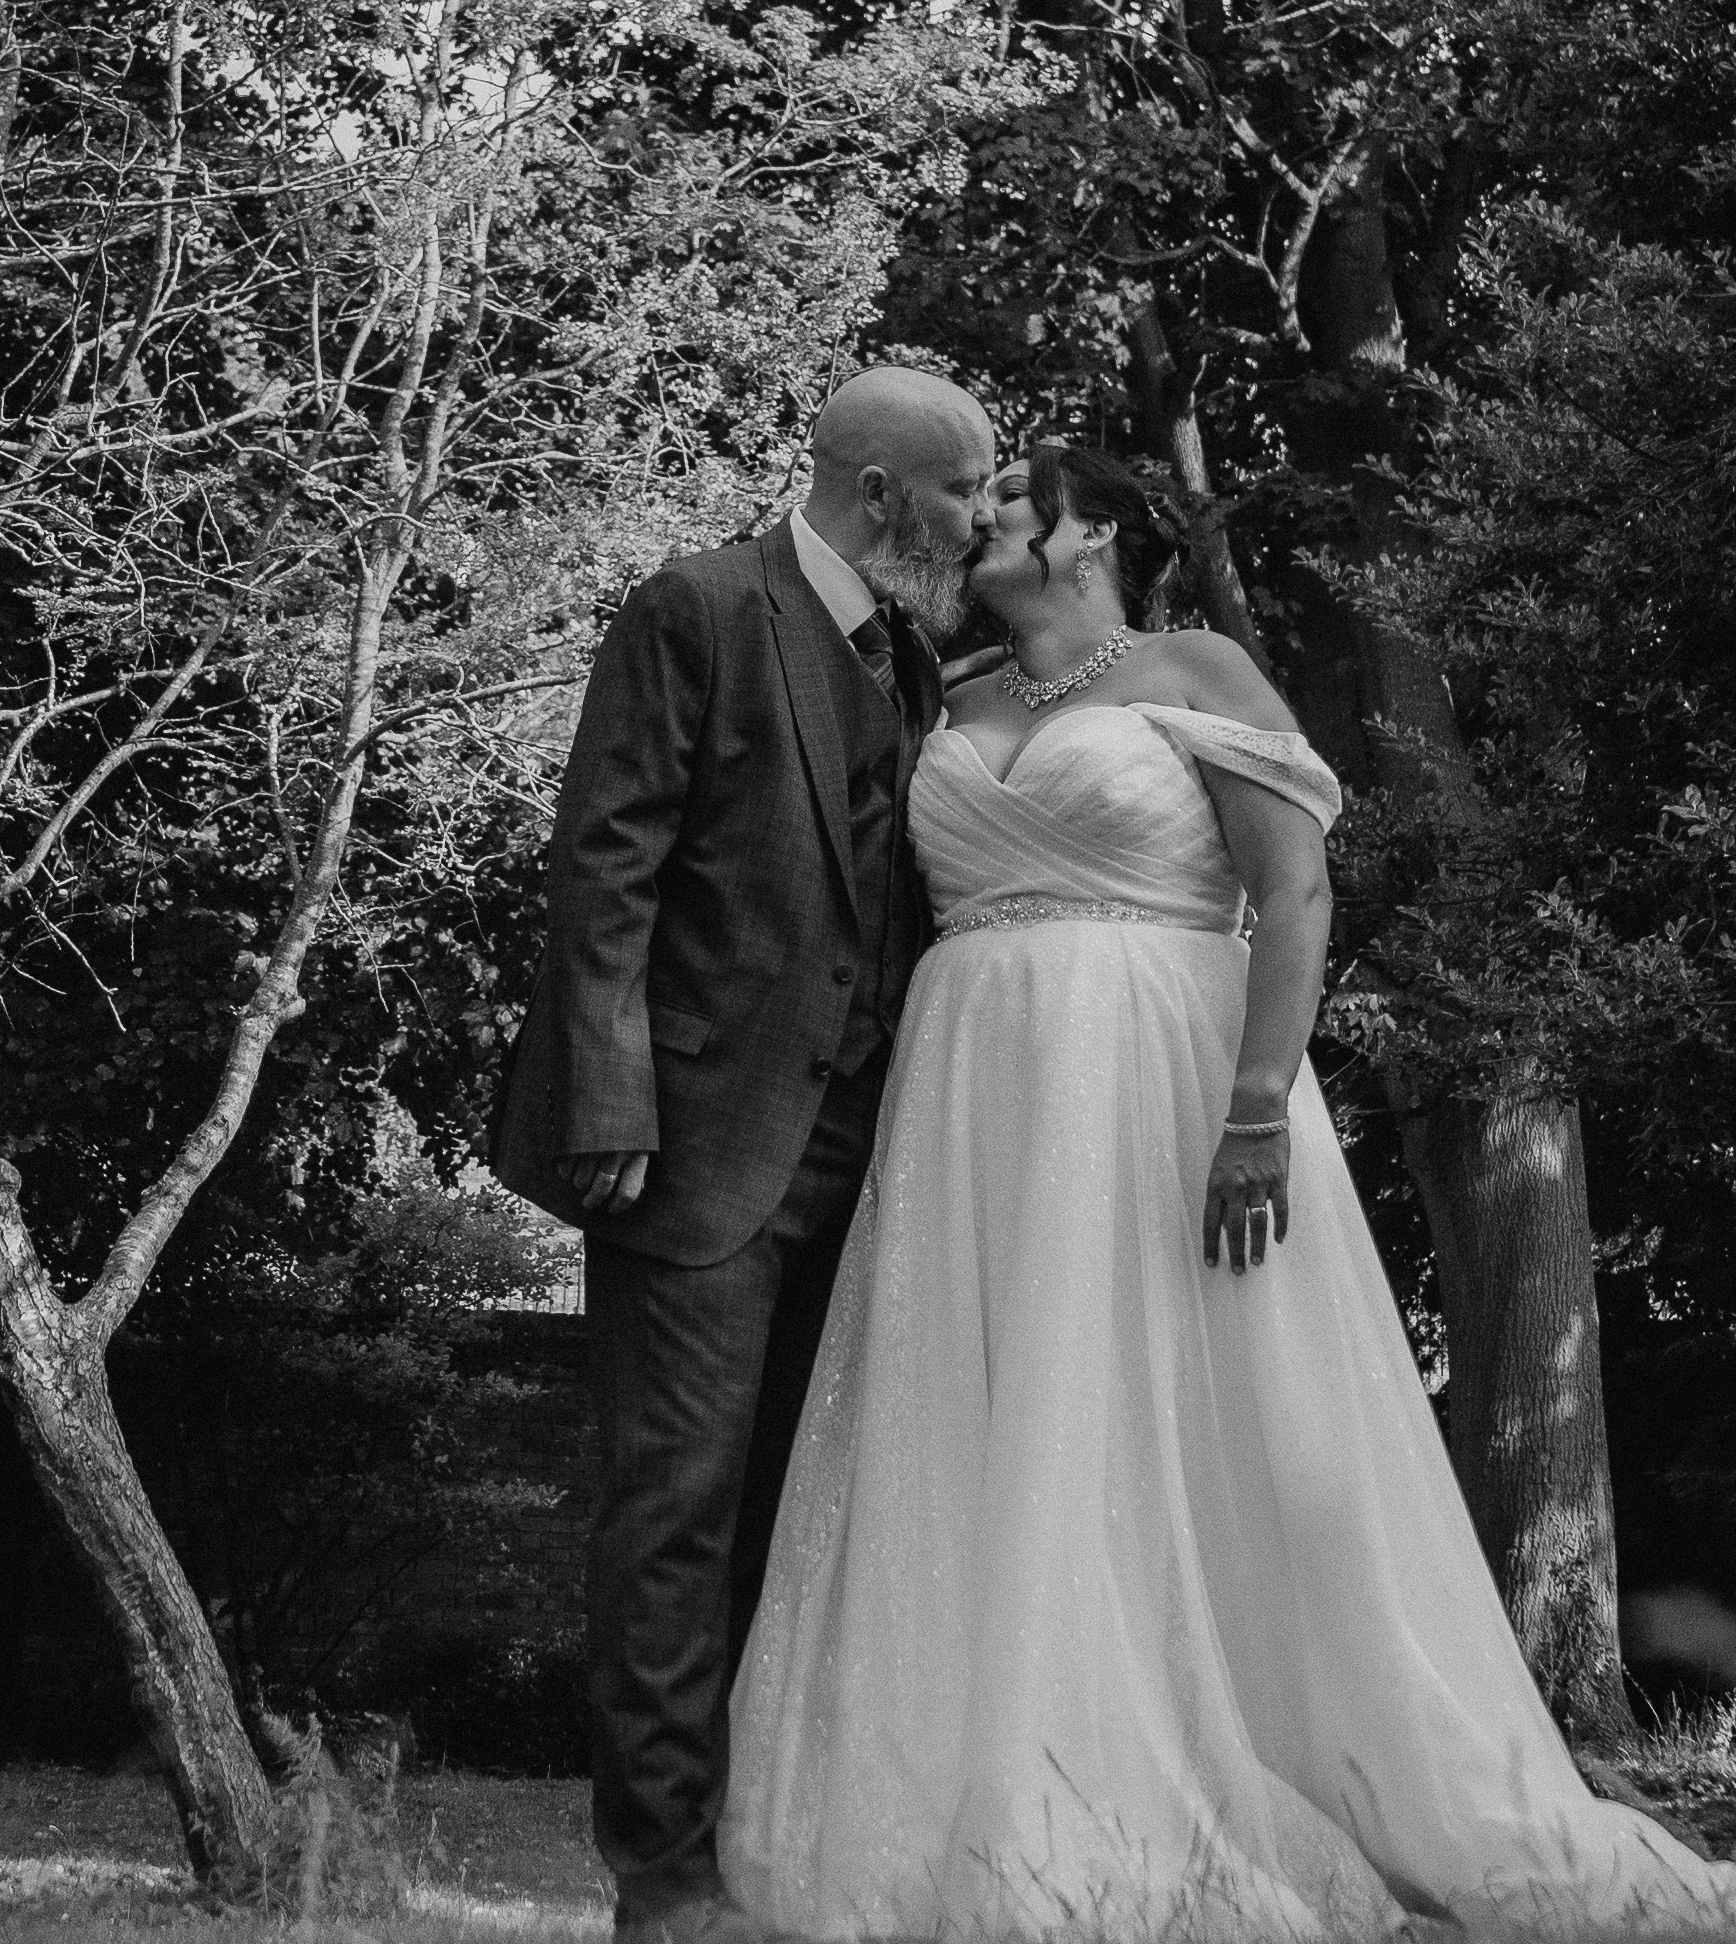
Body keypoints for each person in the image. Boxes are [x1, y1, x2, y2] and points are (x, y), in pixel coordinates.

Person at [717, 447, 1736, 1938]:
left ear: (1095, 533)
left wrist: (1255, 1108)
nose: (982, 516)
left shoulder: (1200, 668)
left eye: (1014, 496)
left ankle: (1287, 1757)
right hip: (973, 1089)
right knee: (990, 1407)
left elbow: (1294, 891)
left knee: (1196, 1402)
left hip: (1164, 1076)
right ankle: (994, 1764)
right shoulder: (949, 694)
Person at [493, 368, 998, 1944]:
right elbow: (607, 863)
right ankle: (662, 1884)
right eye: (969, 490)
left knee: (800, 1518)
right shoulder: (702, 607)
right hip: (695, 1158)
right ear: (883, 493)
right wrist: (610, 1101)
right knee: (675, 1520)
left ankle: (771, 1853)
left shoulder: (917, 654)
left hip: (867, 1162)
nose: (985, 521)